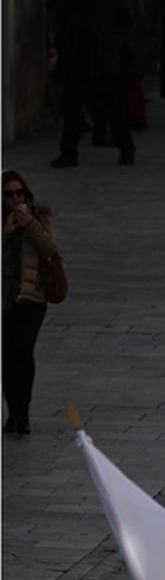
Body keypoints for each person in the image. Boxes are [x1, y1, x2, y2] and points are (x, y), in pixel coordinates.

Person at [51, 0, 135, 167]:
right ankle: (69, 153)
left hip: (105, 62)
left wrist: (113, 44)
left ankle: (126, 149)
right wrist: (65, 44)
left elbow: (128, 22)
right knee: (72, 110)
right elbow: (58, 20)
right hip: (76, 61)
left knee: (114, 109)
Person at [2, 171, 59, 436]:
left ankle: (22, 414)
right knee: (6, 357)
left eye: (19, 193)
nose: (15, 199)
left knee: (23, 353)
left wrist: (30, 225)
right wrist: (6, 231)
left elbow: (49, 250)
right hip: (4, 298)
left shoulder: (40, 214)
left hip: (31, 298)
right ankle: (12, 412)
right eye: (8, 194)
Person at [121, 0, 160, 129]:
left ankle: (136, 116)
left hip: (144, 42)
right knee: (133, 82)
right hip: (129, 42)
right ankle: (136, 117)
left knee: (137, 82)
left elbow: (155, 16)